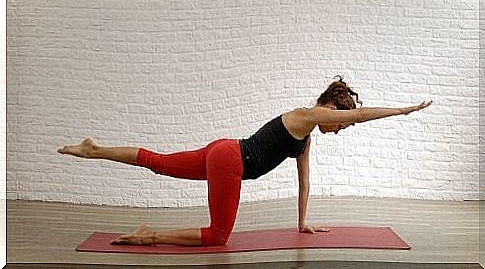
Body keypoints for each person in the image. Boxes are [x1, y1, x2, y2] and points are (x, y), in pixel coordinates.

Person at [57, 76, 432, 246]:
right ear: (333, 109)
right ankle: (147, 237)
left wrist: (302, 223)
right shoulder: (309, 113)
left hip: (225, 151)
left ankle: (94, 149)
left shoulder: (304, 136)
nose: (339, 129)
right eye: (340, 123)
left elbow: (304, 183)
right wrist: (402, 110)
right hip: (231, 162)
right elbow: (357, 117)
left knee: (158, 162)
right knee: (219, 236)